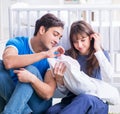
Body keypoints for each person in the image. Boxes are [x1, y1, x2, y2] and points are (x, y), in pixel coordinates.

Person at [0, 13, 65, 114]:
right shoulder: (18, 42)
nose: (57, 41)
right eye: (55, 34)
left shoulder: (52, 58)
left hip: (37, 105)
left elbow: (48, 94)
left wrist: (31, 79)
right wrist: (44, 54)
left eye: (59, 38)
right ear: (42, 30)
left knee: (31, 70)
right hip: (13, 99)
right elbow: (8, 62)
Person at [46, 20, 113, 114]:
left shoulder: (100, 54)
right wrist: (60, 80)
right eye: (75, 42)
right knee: (52, 111)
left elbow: (108, 77)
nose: (79, 45)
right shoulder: (68, 57)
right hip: (73, 99)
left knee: (84, 99)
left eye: (83, 40)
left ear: (90, 37)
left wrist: (97, 48)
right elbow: (65, 92)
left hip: (95, 99)